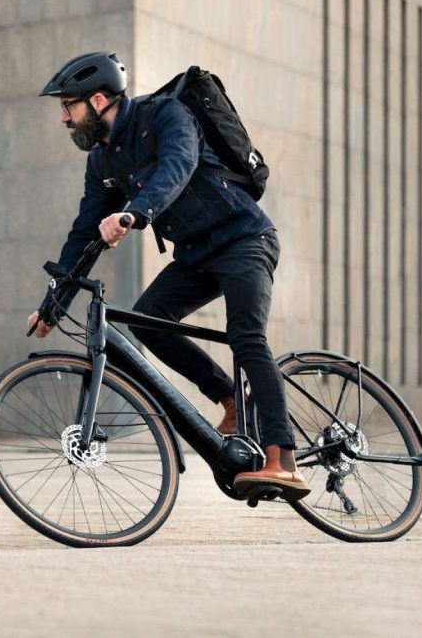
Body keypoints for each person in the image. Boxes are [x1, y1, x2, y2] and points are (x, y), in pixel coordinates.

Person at [26, 51, 309, 498]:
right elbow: (82, 234)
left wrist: (134, 213)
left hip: (244, 240)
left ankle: (282, 459)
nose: (64, 118)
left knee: (246, 336)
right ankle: (231, 399)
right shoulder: (101, 163)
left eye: (68, 106)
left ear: (98, 100)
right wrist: (53, 304)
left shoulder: (165, 115)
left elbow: (180, 165)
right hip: (196, 255)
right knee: (146, 320)